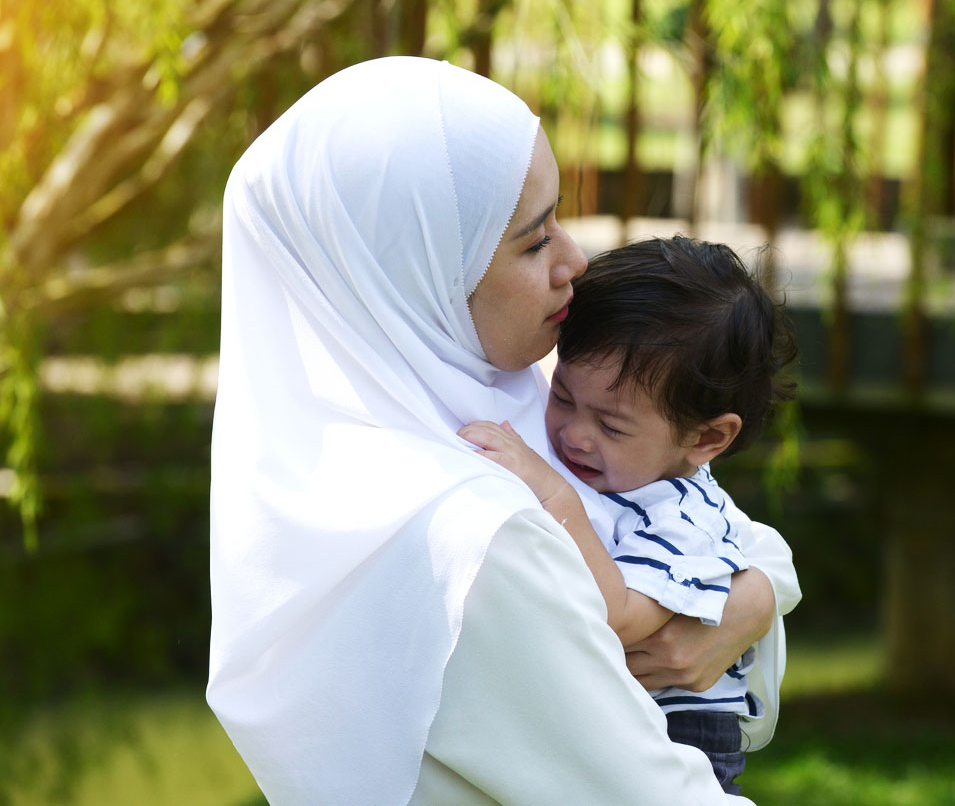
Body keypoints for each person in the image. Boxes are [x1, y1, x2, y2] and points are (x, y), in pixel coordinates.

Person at [207, 56, 800, 805]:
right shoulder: (484, 530)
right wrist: (747, 600)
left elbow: (723, 528)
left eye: (559, 218)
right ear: (417, 274)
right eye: (532, 240)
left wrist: (756, 593)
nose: (575, 260)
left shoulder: (483, 415)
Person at [458, 236, 797, 794]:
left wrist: (553, 494)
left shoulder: (679, 519)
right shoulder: (637, 471)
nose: (574, 434)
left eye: (611, 427)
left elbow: (617, 615)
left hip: (684, 736)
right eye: (563, 395)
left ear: (708, 437)